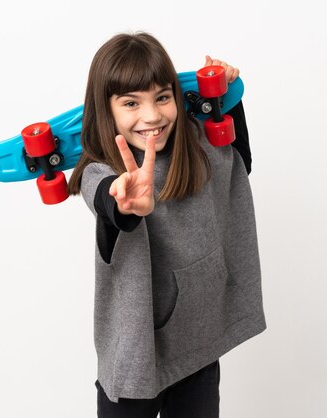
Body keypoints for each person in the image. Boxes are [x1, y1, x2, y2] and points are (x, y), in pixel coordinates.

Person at [67, 32, 266, 418]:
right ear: (105, 110)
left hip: (196, 341)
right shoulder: (100, 171)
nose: (152, 116)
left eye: (162, 97)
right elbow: (109, 201)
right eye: (131, 103)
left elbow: (239, 164)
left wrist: (228, 100)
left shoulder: (196, 145)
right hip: (135, 352)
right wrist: (124, 201)